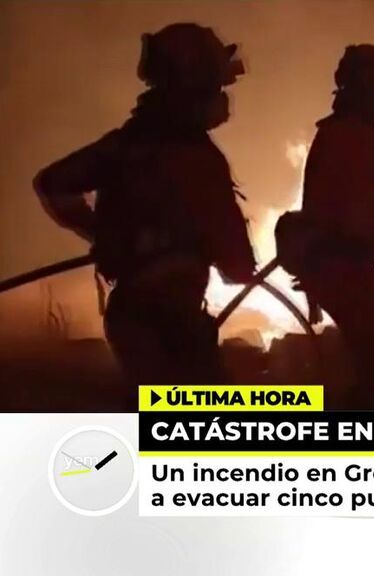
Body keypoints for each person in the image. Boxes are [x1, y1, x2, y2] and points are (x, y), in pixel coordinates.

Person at [34, 23, 256, 390]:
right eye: (213, 86)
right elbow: (238, 265)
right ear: (192, 87)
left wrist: (102, 233)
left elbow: (52, 184)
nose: (221, 97)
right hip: (176, 327)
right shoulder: (199, 160)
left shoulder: (123, 147)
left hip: (131, 321)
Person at [283, 44, 374, 408]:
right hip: (341, 268)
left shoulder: (345, 132)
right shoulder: (352, 137)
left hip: (339, 268)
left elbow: (346, 199)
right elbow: (352, 218)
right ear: (368, 90)